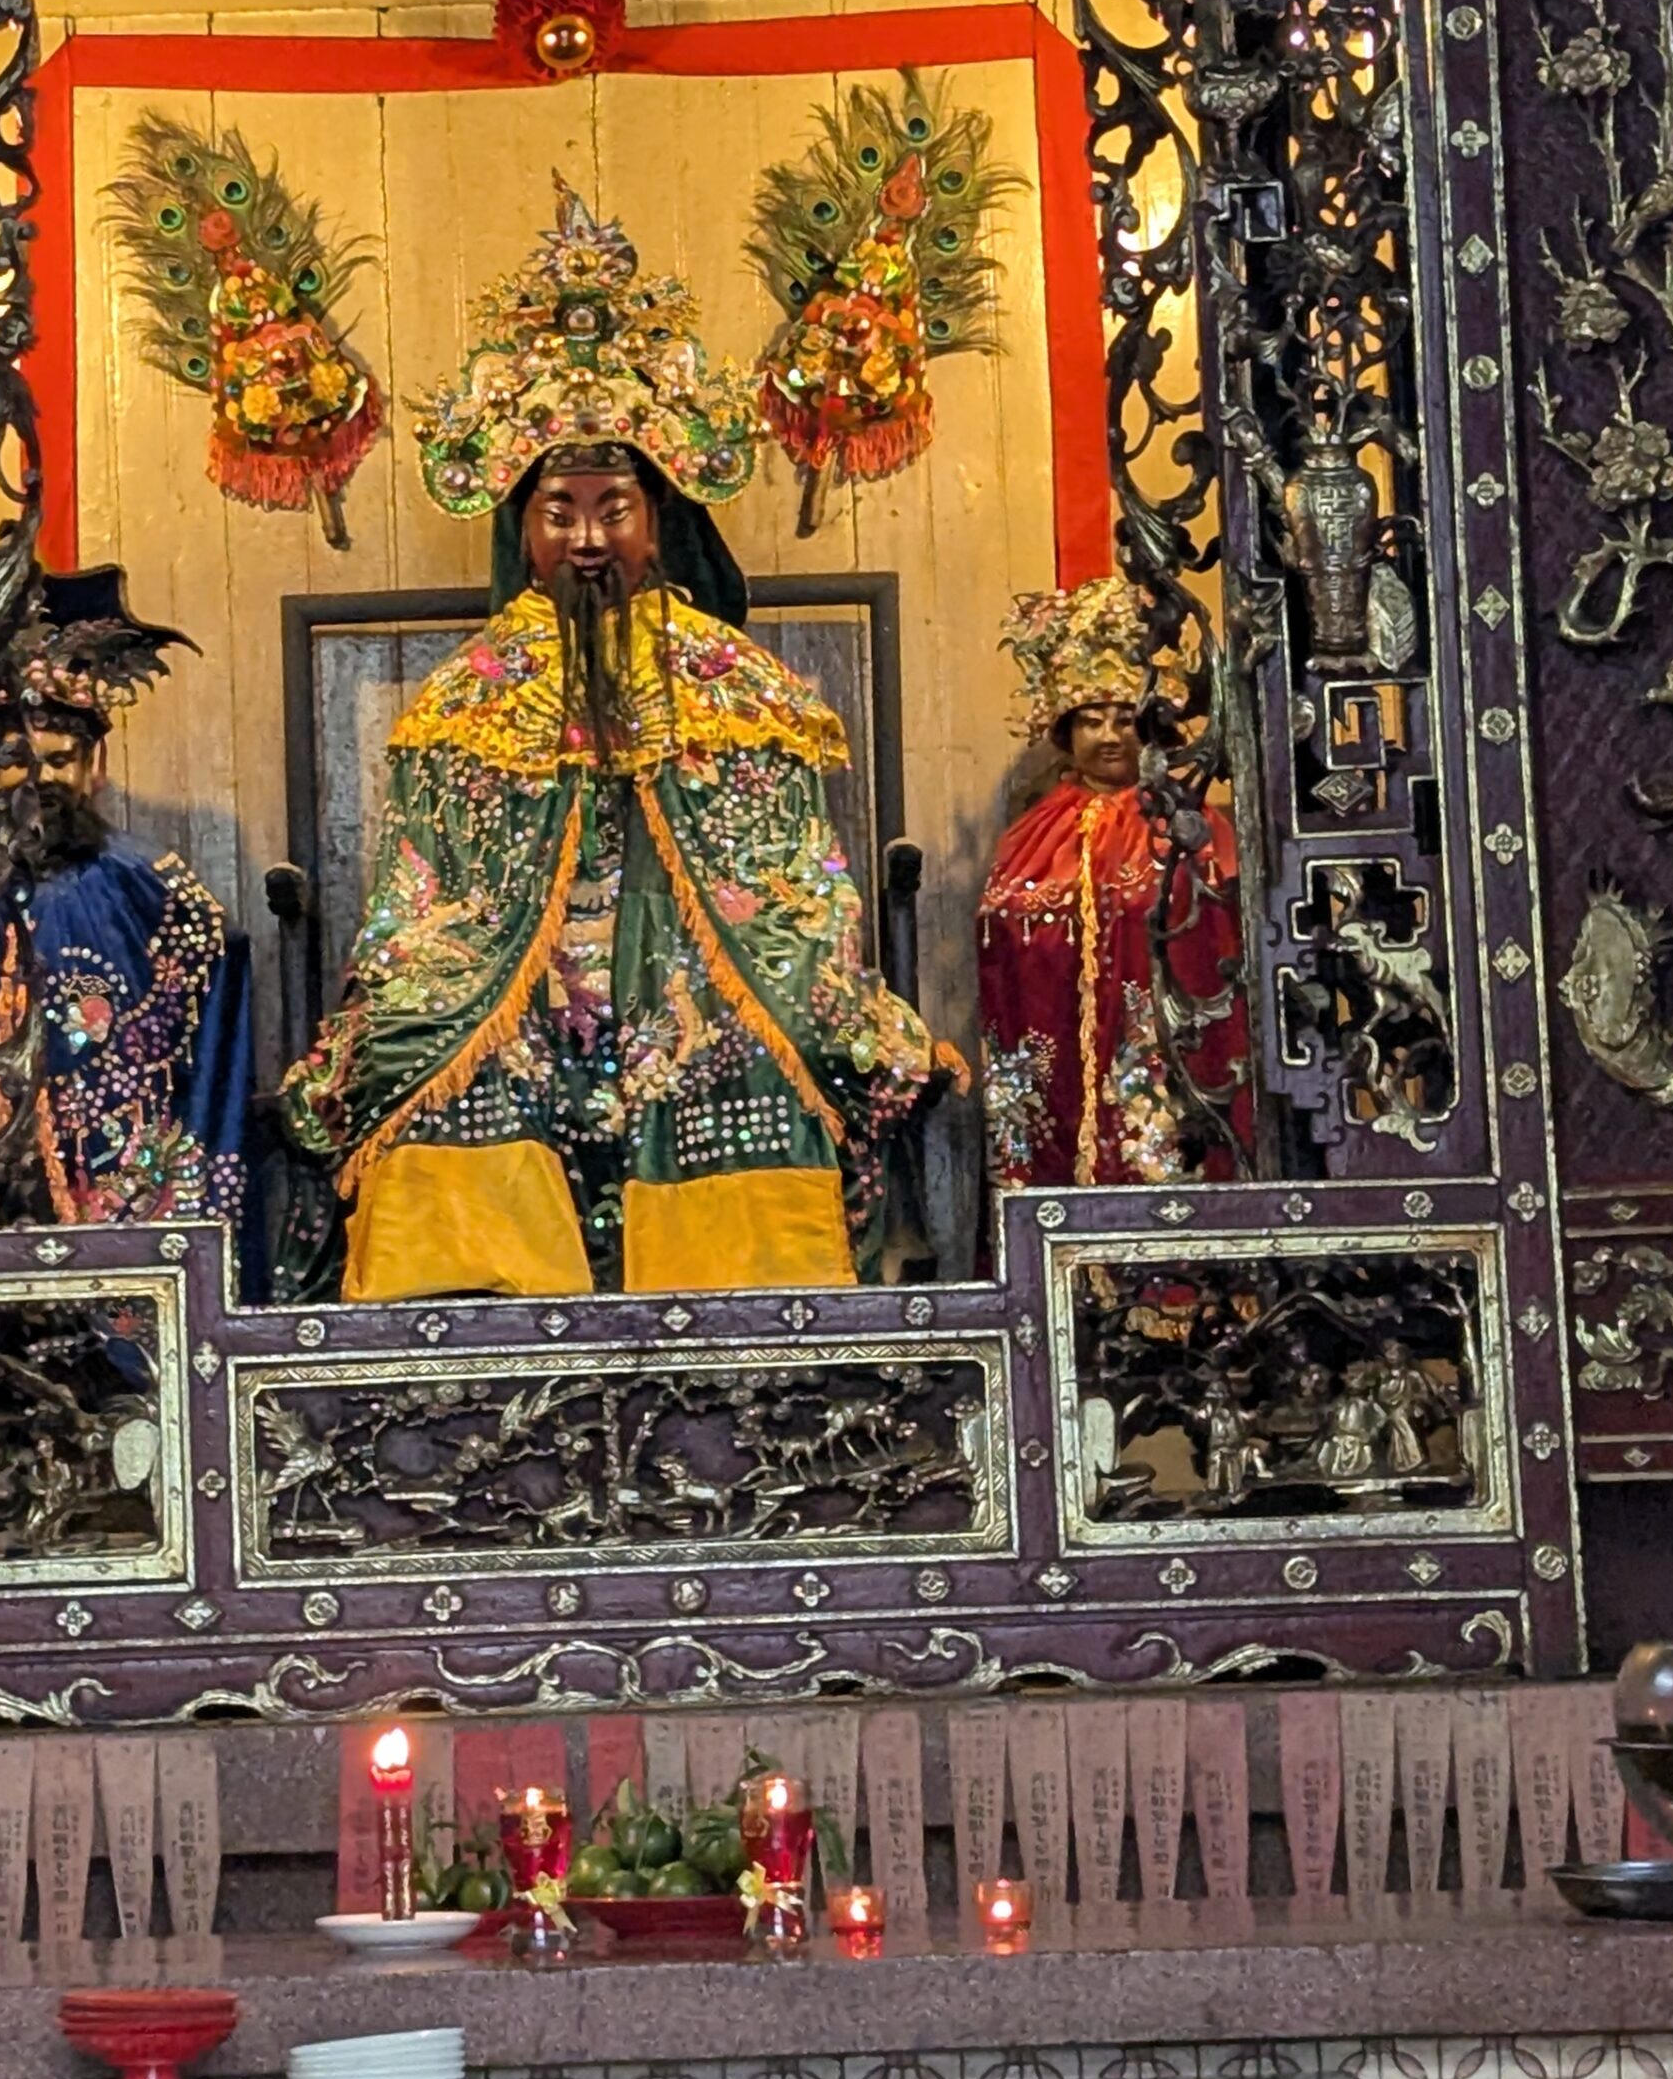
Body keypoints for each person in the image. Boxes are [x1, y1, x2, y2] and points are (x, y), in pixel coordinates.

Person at [279, 186, 944, 1300]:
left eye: (613, 508)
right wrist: (437, 993)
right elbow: (420, 899)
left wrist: (757, 975)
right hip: (506, 988)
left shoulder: (739, 688)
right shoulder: (461, 702)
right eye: (559, 511)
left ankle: (754, 1318)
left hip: (701, 979)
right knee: (438, 1088)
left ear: (659, 516)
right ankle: (470, 1325)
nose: (587, 539)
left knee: (749, 1067)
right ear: (521, 524)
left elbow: (792, 886)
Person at [0, 573, 253, 1227]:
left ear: (96, 766)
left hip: (113, 1183)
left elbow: (220, 972)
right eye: (15, 761)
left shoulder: (150, 887)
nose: (36, 782)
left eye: (59, 761)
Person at [975, 575, 1251, 1193]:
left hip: (1164, 1060)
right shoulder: (1030, 835)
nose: (1108, 736)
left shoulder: (1188, 824)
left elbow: (1223, 934)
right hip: (1055, 1062)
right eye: (1092, 721)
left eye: (1125, 720)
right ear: (1066, 733)